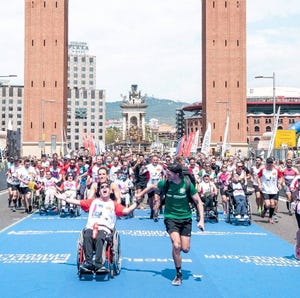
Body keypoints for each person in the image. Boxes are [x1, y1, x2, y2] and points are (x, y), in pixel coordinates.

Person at [136, 163, 205, 286]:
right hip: (171, 218)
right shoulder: (166, 183)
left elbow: (198, 202)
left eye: (169, 172)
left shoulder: (188, 184)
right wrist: (140, 194)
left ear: (177, 174)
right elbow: (152, 186)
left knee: (186, 249)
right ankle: (178, 274)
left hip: (186, 219)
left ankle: (177, 250)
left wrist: (201, 220)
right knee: (177, 245)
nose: (166, 173)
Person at [57, 182, 142, 272]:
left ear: (110, 192)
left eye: (106, 187)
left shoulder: (114, 204)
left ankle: (98, 264)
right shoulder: (93, 201)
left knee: (100, 237)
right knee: (86, 235)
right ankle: (88, 263)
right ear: (99, 191)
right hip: (91, 227)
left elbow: (127, 211)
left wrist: (137, 203)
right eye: (102, 187)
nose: (104, 188)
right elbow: (78, 202)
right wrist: (65, 198)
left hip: (105, 228)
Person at [258, 157, 283, 224]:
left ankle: (270, 218)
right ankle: (265, 210)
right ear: (266, 164)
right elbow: (258, 177)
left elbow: (281, 177)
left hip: (274, 190)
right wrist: (260, 184)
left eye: (271, 164)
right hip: (265, 189)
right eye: (268, 164)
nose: (269, 165)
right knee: (267, 204)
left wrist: (279, 183)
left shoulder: (276, 170)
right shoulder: (263, 170)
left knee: (272, 204)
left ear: (273, 164)